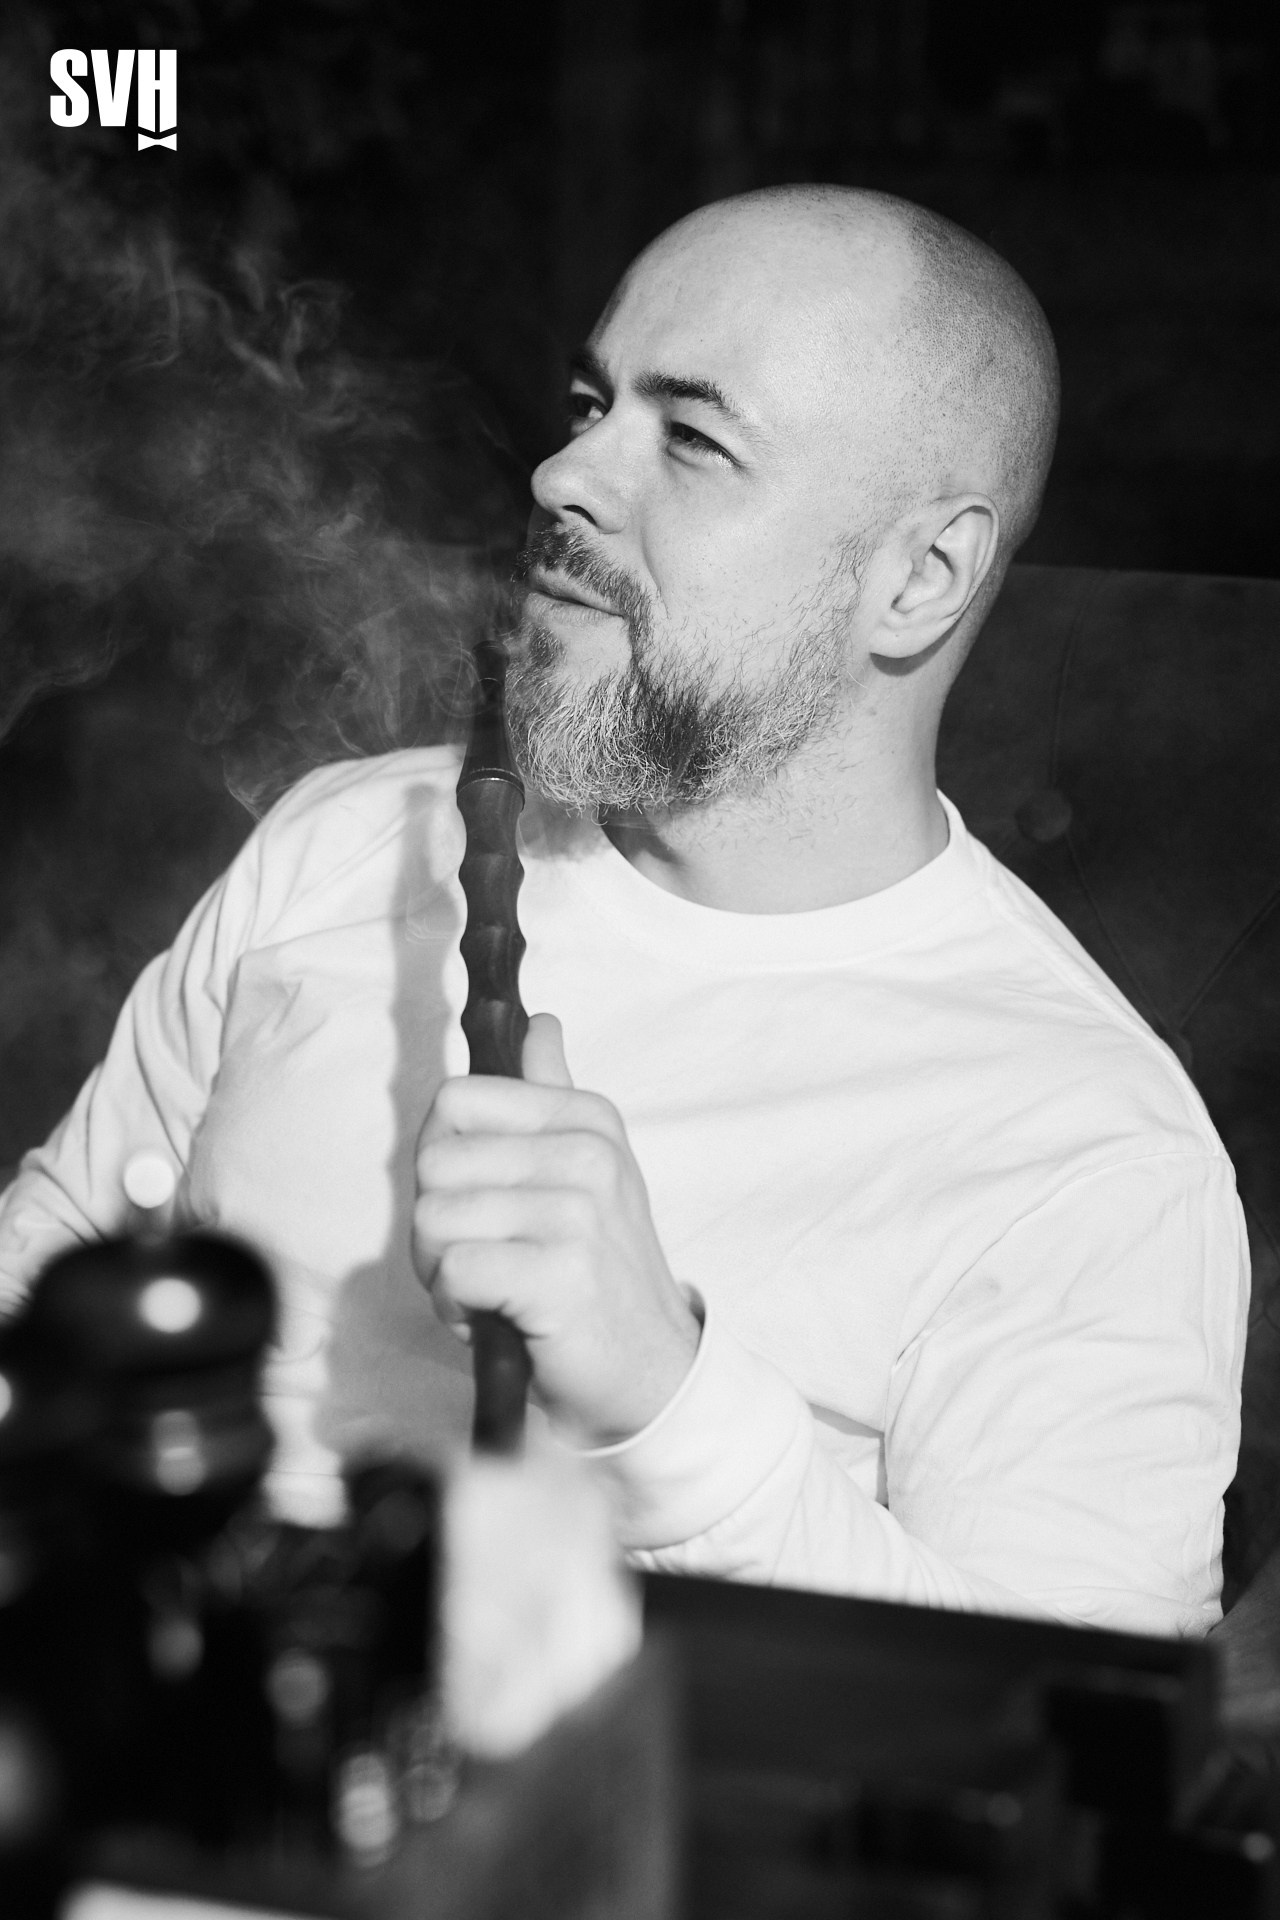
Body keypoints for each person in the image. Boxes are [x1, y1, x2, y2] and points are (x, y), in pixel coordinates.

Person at [0, 187, 1247, 1636]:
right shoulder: (348, 840)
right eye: (592, 404)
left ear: (919, 579)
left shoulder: (1087, 1151)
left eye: (694, 438)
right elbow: (55, 1260)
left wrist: (665, 1390)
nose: (560, 473)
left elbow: (1056, 1722)